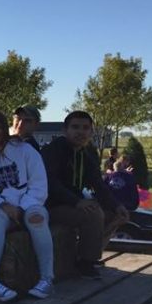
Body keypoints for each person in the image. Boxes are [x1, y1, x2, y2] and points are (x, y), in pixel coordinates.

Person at [0, 110, 53, 301]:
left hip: (29, 204)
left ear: (5, 127)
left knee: (37, 219)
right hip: (2, 208)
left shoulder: (24, 150)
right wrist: (3, 205)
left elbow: (39, 185)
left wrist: (22, 207)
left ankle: (47, 279)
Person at [42, 111, 130, 278]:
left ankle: (87, 255)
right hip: (51, 205)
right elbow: (50, 183)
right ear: (65, 130)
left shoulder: (87, 154)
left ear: (91, 132)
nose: (80, 132)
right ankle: (85, 264)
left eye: (85, 128)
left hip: (74, 204)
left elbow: (99, 185)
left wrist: (117, 205)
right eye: (75, 127)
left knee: (115, 215)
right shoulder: (52, 151)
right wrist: (76, 202)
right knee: (93, 214)